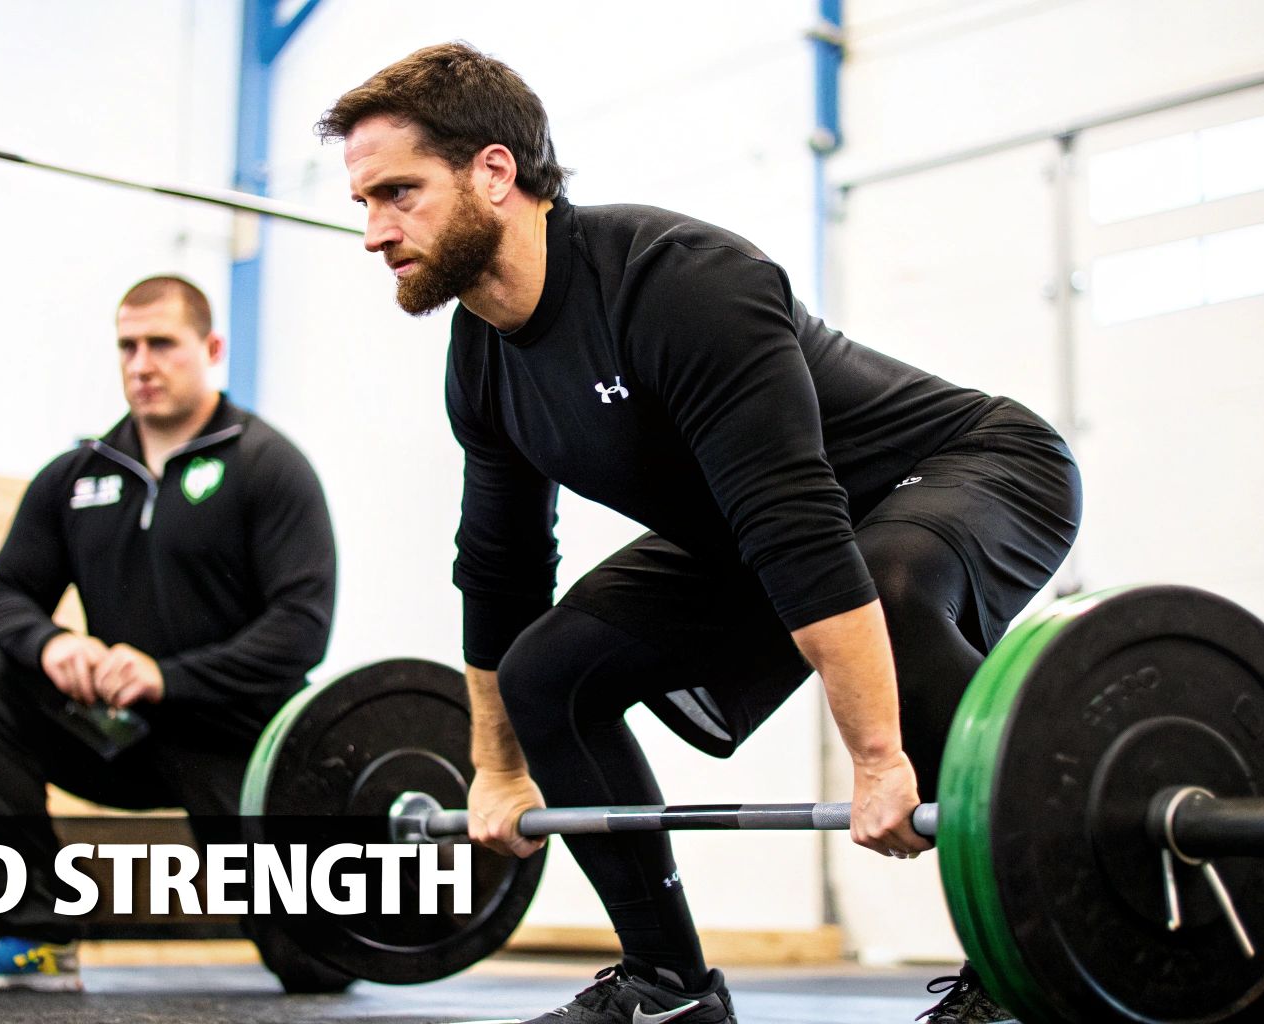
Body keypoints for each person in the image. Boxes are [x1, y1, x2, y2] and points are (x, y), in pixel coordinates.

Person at [317, 44, 1081, 1024]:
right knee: (546, 669)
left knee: (889, 582)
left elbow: (796, 525)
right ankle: (667, 988)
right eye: (363, 204)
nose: (375, 232)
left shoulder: (678, 282)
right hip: (765, 528)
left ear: (493, 172)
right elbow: (499, 568)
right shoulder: (481, 355)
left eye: (397, 193)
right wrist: (498, 766)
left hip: (976, 466)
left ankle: (1022, 973)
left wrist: (880, 755)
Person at [0, 275, 337, 991]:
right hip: (120, 734)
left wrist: (169, 676)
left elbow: (302, 630)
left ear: (210, 348)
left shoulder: (268, 467)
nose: (141, 364)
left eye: (162, 344)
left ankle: (323, 921)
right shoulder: (77, 476)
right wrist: (54, 644)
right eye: (127, 346)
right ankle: (32, 938)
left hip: (238, 742)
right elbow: (6, 594)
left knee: (315, 968)